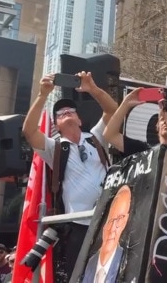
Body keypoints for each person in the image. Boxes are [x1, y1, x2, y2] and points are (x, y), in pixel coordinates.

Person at [22, 72, 118, 280]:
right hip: (77, 225)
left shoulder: (95, 137)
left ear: (79, 119)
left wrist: (93, 88)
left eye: (70, 110)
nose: (65, 112)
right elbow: (29, 131)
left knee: (114, 273)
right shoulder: (54, 148)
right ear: (55, 125)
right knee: (81, 276)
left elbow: (113, 111)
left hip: (110, 220)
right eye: (60, 113)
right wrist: (42, 95)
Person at [103, 88, 167, 158]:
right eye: (162, 119)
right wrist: (125, 104)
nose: (165, 121)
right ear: (157, 127)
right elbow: (110, 135)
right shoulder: (145, 151)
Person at [82, 185, 132, 283]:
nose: (113, 228)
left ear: (125, 222)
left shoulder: (126, 261)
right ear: (104, 227)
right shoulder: (91, 262)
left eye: (119, 220)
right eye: (110, 220)